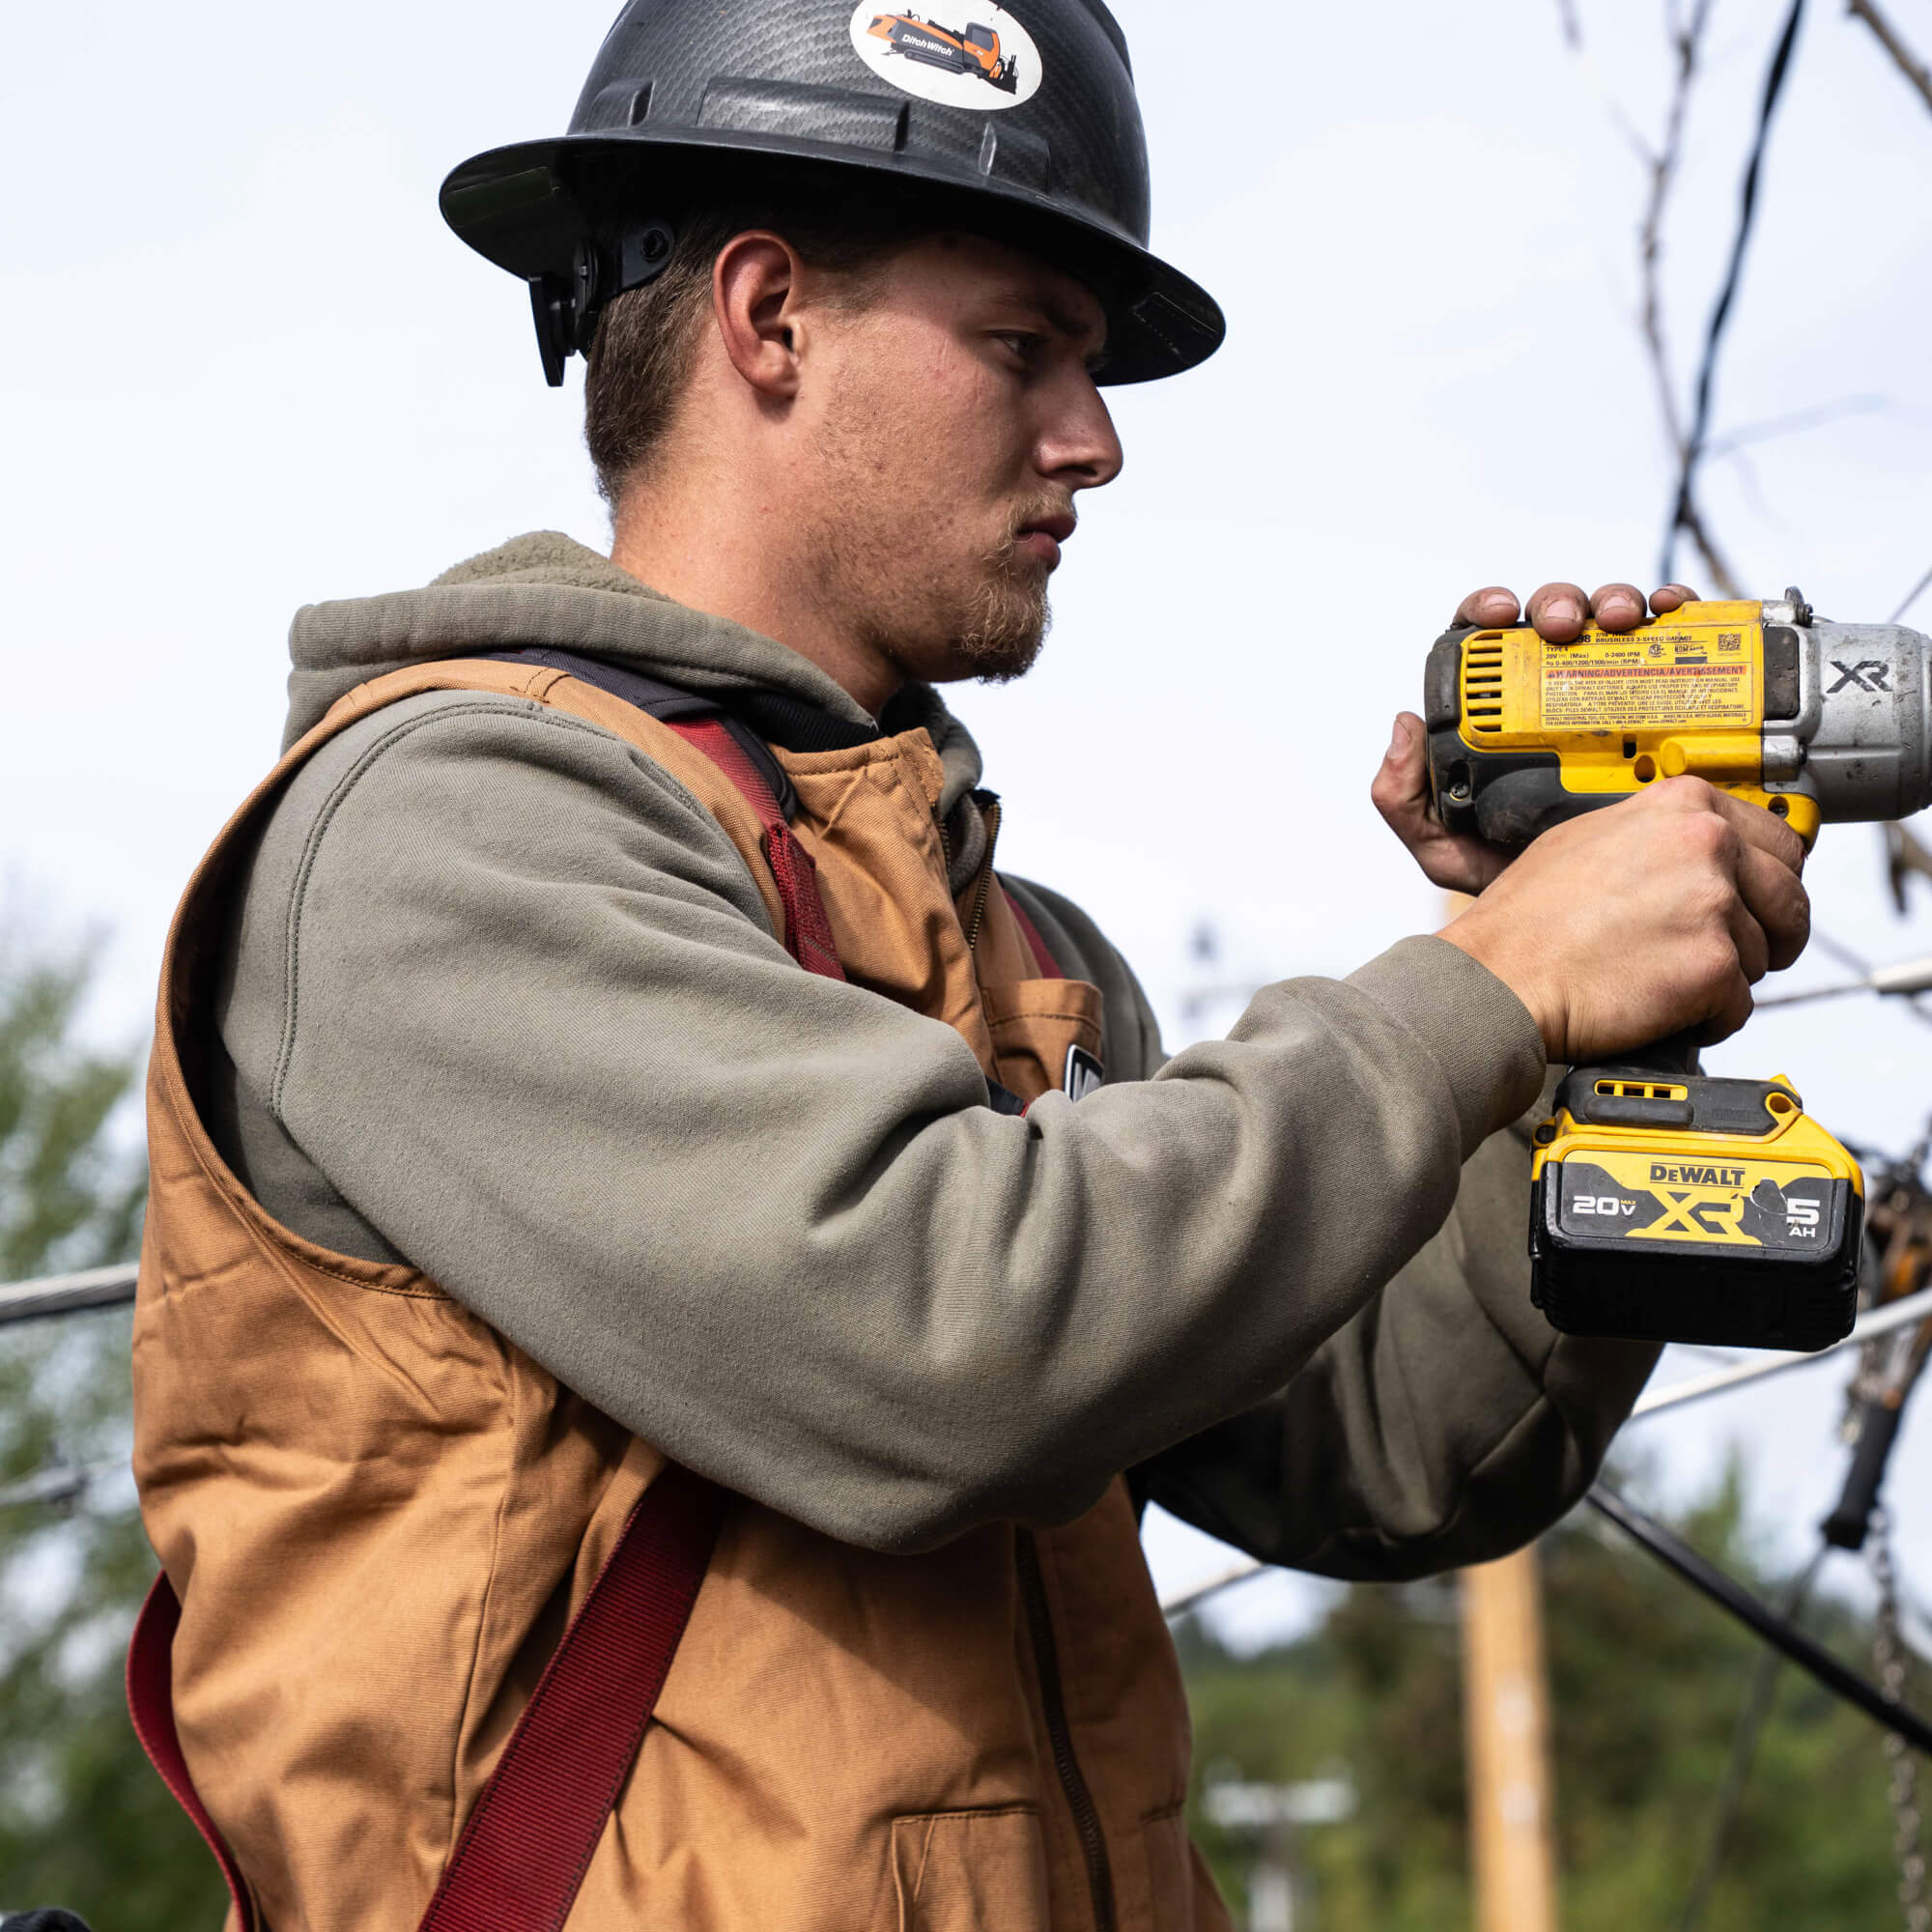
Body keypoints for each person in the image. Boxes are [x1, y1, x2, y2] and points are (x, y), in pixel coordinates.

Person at [128, 2, 1810, 1927]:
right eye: (1024, 348)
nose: (1090, 442)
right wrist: (1490, 983)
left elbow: (1391, 1448)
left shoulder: (1014, 958)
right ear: (765, 316)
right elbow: (943, 1327)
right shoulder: (447, 830)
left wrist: (1580, 1031)